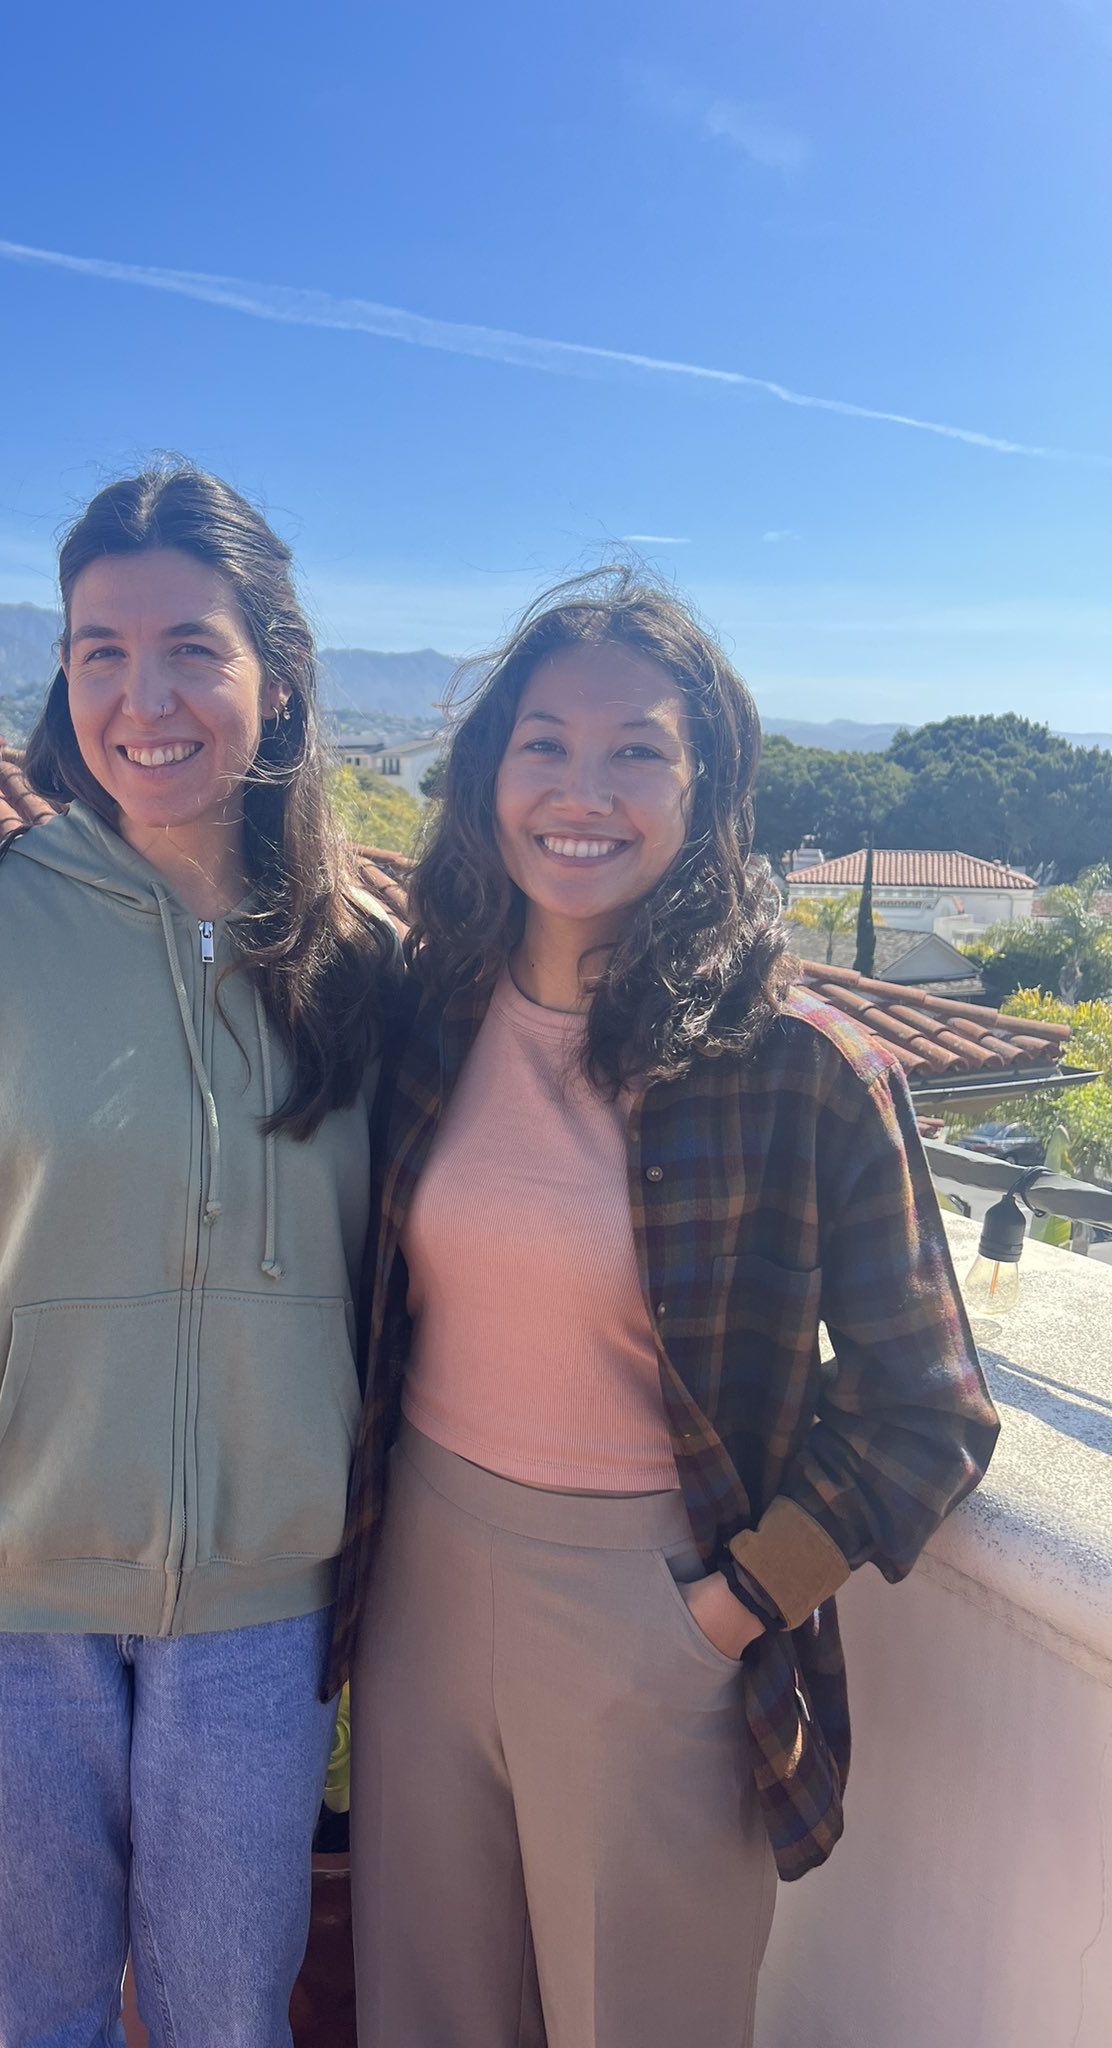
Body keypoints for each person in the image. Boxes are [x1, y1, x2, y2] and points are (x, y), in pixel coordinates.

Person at [328, 571, 1000, 2048]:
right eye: (543, 744)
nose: (584, 790)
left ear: (707, 788)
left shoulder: (805, 1070)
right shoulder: (426, 1017)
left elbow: (925, 1405)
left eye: (637, 748)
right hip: (421, 1581)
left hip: (651, 1603)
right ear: (489, 772)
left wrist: (719, 1617)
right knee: (425, 2013)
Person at [0, 464, 395, 2048]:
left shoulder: (367, 963)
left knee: (228, 2021)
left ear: (277, 674)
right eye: (97, 651)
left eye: (191, 646)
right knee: (36, 2019)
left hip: (262, 1609)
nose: (144, 696)